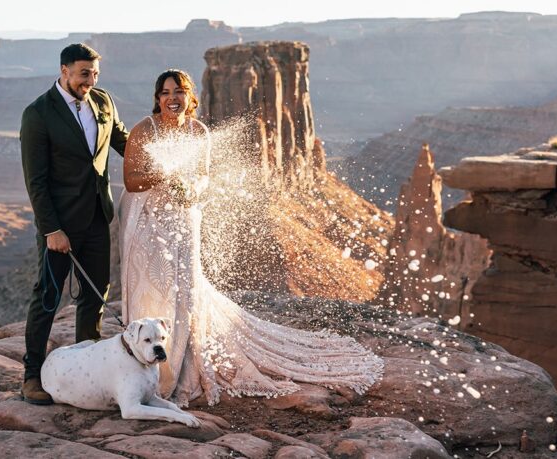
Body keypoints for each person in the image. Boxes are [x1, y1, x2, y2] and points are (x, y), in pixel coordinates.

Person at [119, 69, 383, 407]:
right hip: (147, 222)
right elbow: (131, 181)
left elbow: (203, 179)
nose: (173, 98)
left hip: (184, 221)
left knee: (183, 290)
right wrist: (166, 174)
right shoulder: (144, 130)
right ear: (157, 98)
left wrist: (191, 190)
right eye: (166, 92)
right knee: (151, 288)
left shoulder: (199, 132)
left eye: (180, 91)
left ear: (190, 97)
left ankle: (177, 367)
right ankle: (141, 366)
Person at [19, 43, 129, 405]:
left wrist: (161, 157)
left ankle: (90, 372)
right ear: (64, 71)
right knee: (48, 298)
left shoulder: (103, 102)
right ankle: (32, 376)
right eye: (84, 74)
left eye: (95, 74)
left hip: (97, 218)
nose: (91, 80)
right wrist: (51, 230)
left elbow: (123, 141)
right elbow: (36, 180)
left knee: (95, 297)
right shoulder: (38, 113)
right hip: (60, 227)